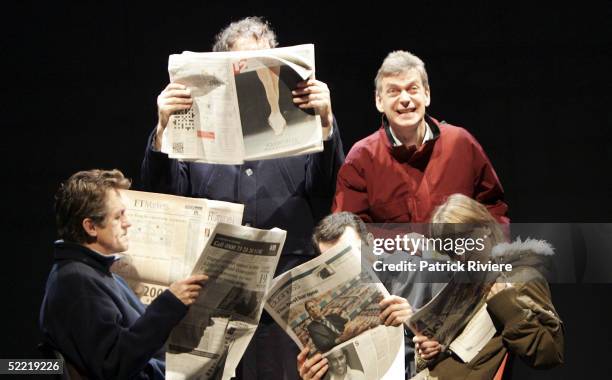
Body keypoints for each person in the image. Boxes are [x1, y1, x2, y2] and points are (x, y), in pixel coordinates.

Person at [141, 17, 344, 380]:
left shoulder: (299, 121)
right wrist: (162, 129)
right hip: (215, 303)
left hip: (286, 302)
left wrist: (326, 122)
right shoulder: (194, 126)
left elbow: (328, 192)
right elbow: (165, 198)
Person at [39, 169, 208, 379]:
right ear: (91, 226)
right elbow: (114, 365)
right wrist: (169, 305)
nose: (128, 223)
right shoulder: (76, 282)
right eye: (118, 216)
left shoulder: (97, 274)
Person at [333, 50, 508, 224]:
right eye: (394, 91)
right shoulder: (361, 159)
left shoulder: (461, 143)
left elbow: (493, 208)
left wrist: (487, 248)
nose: (405, 99)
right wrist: (399, 244)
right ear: (379, 101)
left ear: (427, 94)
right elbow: (351, 232)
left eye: (412, 89)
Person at [412, 193, 564, 378]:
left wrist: (508, 308)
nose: (459, 257)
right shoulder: (465, 281)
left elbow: (550, 352)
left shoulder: (521, 276)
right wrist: (431, 351)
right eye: (450, 250)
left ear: (486, 229)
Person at [297, 212, 415, 379]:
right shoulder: (327, 320)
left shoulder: (410, 273)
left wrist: (413, 322)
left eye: (353, 253)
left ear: (371, 242)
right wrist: (312, 375)